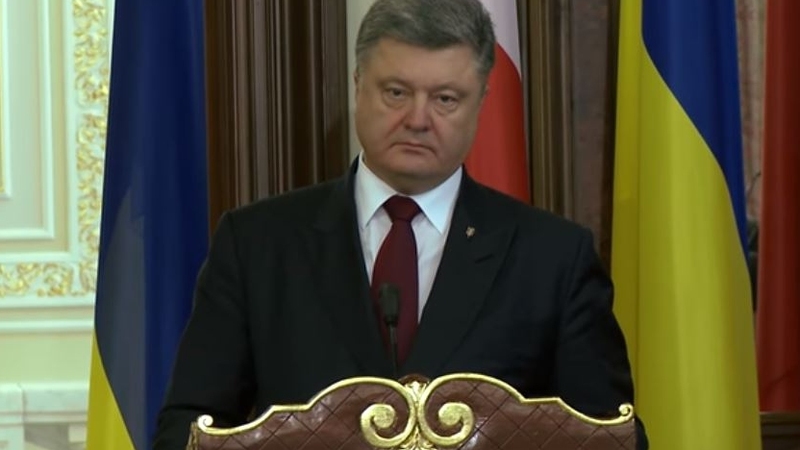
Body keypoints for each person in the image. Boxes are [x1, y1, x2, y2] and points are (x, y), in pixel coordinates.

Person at [154, 0, 648, 448]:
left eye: (446, 99)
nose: (417, 119)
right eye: (396, 92)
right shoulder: (257, 245)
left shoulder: (552, 258)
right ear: (358, 85)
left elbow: (609, 437)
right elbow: (190, 429)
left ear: (480, 102)